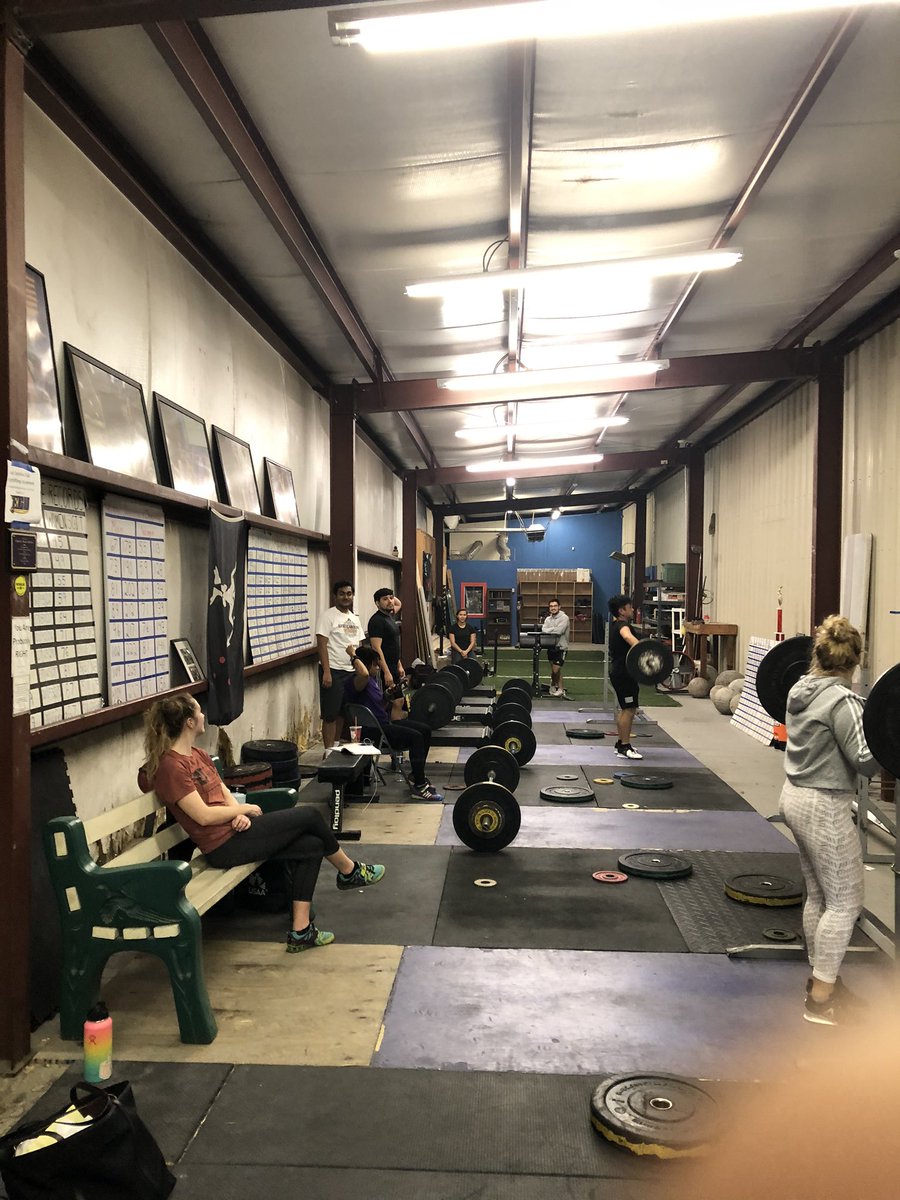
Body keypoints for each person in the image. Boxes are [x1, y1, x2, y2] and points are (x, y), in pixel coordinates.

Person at [142, 695, 384, 953]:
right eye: (200, 712)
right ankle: (349, 871)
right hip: (222, 847)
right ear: (189, 722)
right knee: (310, 816)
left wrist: (236, 812)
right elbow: (202, 816)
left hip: (234, 831)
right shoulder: (172, 766)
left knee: (312, 844)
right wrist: (244, 808)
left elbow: (223, 794)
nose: (204, 716)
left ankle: (301, 932)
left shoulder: (199, 755)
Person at [778, 614, 881, 1026]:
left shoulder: (799, 690)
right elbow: (866, 761)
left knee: (819, 896)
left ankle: (823, 980)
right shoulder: (843, 701)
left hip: (794, 796)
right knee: (845, 903)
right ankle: (821, 1002)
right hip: (824, 804)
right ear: (855, 660)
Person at [343, 644, 444, 802]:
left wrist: (388, 695)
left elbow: (379, 706)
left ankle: (416, 774)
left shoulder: (370, 681)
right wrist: (353, 654)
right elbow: (362, 673)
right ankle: (419, 786)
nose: (378, 668)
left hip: (384, 725)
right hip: (373, 732)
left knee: (425, 730)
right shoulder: (355, 681)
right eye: (375, 665)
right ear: (365, 664)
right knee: (416, 737)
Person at [315, 580, 365, 749]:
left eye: (349, 594)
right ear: (335, 596)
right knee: (330, 714)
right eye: (342, 593)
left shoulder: (354, 619)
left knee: (344, 712)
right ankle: (328, 752)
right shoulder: (328, 616)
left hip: (351, 672)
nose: (346, 597)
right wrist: (326, 672)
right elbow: (321, 644)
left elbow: (359, 646)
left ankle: (336, 746)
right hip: (333, 671)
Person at [607, 594, 643, 760]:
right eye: (630, 607)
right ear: (622, 611)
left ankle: (621, 743)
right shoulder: (622, 626)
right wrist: (642, 648)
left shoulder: (615, 624)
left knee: (626, 708)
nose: (633, 609)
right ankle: (626, 747)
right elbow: (629, 638)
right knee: (628, 710)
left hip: (620, 671)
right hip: (623, 673)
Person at [368, 586, 404, 696]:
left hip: (393, 666)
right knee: (388, 700)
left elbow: (392, 643)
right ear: (377, 603)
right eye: (385, 599)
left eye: (391, 598)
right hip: (384, 668)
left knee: (398, 700)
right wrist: (387, 672)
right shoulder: (377, 621)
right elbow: (376, 648)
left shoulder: (389, 616)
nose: (390, 601)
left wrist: (399, 665)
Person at [542, 597, 570, 697]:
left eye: (555, 606)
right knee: (555, 671)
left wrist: (551, 630)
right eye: (551, 606)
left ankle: (559, 688)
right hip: (551, 647)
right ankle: (554, 685)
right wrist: (553, 629)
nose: (553, 608)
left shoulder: (564, 618)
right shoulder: (548, 619)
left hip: (561, 647)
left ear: (559, 607)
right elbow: (543, 629)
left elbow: (559, 631)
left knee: (556, 670)